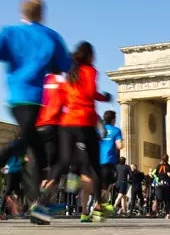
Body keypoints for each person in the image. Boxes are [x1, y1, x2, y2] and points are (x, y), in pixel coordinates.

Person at [0, 0, 72, 223]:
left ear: (22, 12)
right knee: (27, 143)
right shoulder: (51, 35)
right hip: (36, 99)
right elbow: (65, 65)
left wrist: (13, 52)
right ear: (41, 14)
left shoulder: (10, 31)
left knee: (36, 152)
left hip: (16, 96)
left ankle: (37, 206)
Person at [34, 41, 112, 224]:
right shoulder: (90, 71)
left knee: (62, 163)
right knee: (95, 165)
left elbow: (62, 96)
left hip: (66, 124)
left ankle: (41, 203)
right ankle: (99, 207)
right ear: (90, 55)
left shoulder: (69, 73)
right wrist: (104, 97)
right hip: (84, 122)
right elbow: (90, 92)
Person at [35, 69, 66, 185]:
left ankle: (37, 198)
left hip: (38, 127)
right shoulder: (61, 80)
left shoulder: (42, 80)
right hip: (53, 126)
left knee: (41, 166)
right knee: (54, 167)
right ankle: (45, 200)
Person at [99, 111, 123, 211]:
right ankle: (98, 206)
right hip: (108, 160)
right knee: (107, 185)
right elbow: (119, 146)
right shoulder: (116, 130)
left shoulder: (99, 130)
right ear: (113, 119)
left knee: (100, 185)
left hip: (97, 160)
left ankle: (97, 206)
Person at [0, 155, 24, 220]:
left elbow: (23, 161)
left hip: (17, 173)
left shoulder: (21, 153)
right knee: (8, 191)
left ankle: (15, 212)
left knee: (17, 193)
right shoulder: (11, 153)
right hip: (10, 173)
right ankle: (1, 209)